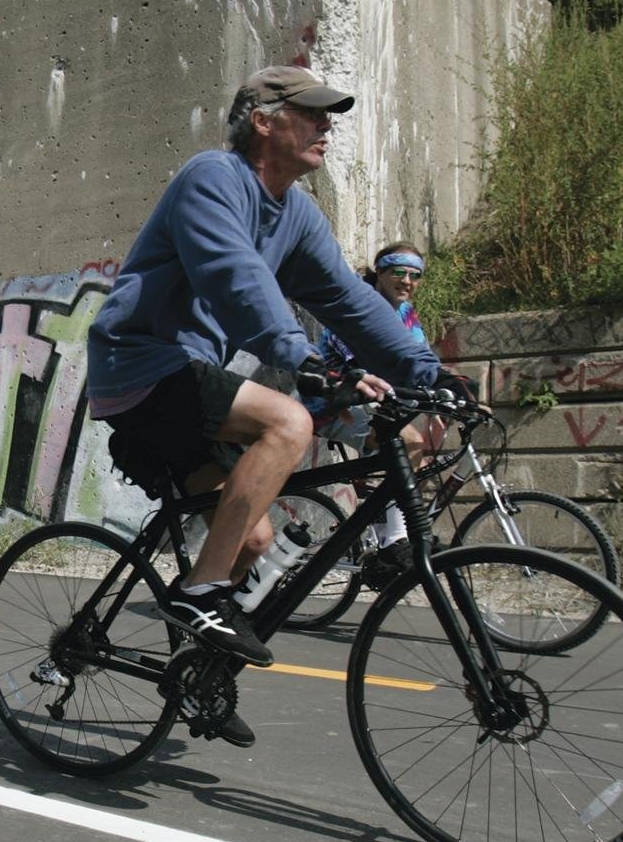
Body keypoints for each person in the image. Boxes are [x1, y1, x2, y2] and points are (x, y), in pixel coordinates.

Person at [87, 65, 449, 745]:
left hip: (191, 378)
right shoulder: (213, 180)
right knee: (289, 421)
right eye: (311, 113)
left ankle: (195, 671)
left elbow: (350, 300)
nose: (326, 126)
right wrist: (299, 355)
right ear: (262, 121)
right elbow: (235, 278)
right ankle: (200, 595)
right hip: (141, 363)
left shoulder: (297, 215)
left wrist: (430, 372)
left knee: (252, 540)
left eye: (328, 116)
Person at [309, 242, 449, 576]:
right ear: (381, 272)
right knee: (409, 443)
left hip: (375, 400)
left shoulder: (406, 313)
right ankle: (394, 543)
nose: (407, 281)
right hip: (333, 403)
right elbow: (366, 365)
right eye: (399, 272)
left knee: (413, 457)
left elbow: (419, 361)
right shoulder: (357, 305)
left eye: (415, 275)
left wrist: (447, 394)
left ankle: (392, 534)